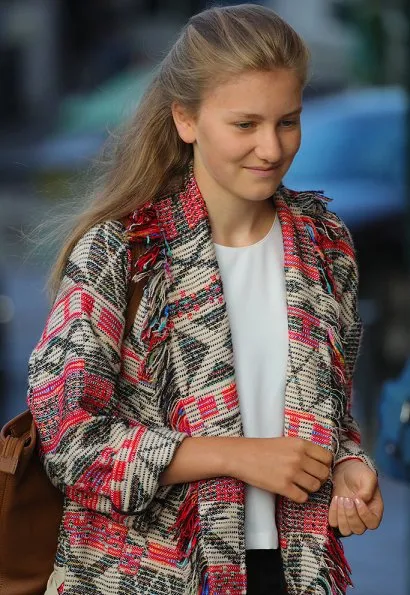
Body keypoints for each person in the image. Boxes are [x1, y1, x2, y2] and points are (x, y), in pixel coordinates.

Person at [28, 4, 383, 594]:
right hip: (144, 578)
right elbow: (69, 444)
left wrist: (349, 471)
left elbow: (331, 418)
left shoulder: (325, 243)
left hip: (293, 575)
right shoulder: (121, 250)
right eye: (245, 125)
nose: (271, 149)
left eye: (288, 121)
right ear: (186, 120)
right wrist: (237, 455)